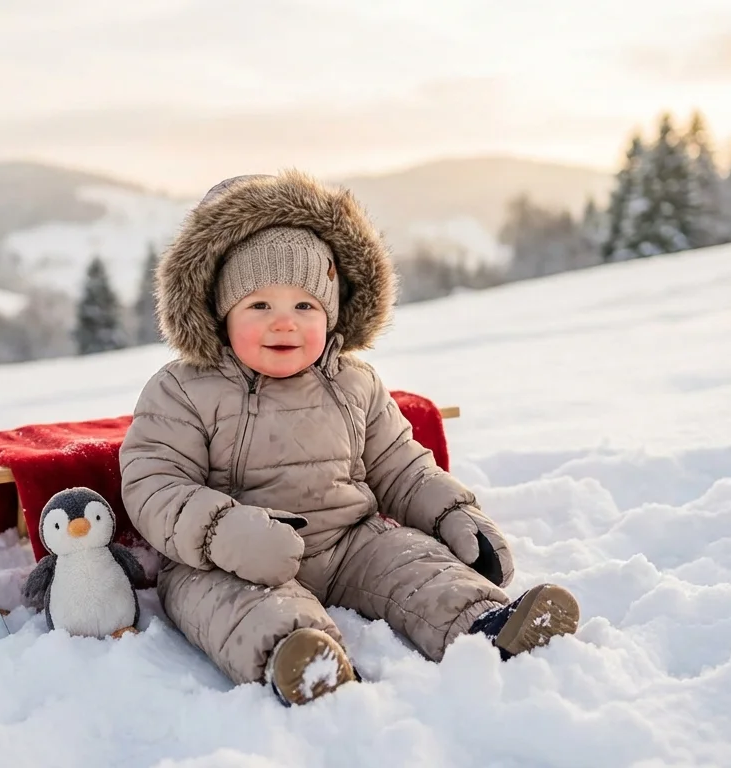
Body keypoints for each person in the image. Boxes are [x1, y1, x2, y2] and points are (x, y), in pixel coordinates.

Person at [118, 170, 579, 706]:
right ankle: (300, 656)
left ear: (331, 311)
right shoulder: (183, 388)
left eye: (305, 306)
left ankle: (487, 623)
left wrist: (454, 513)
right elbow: (154, 483)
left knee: (414, 563)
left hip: (349, 540)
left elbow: (401, 465)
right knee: (231, 605)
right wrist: (226, 532)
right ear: (221, 312)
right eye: (260, 306)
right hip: (231, 559)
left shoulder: (355, 382)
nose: (284, 324)